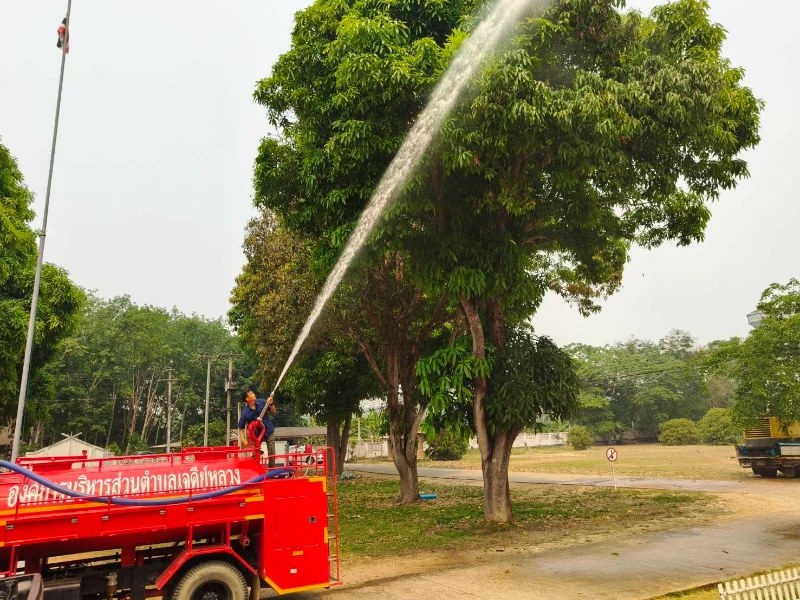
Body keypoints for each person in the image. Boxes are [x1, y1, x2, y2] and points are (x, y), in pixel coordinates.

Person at [238, 389, 277, 467]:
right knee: (254, 453)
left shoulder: (262, 402)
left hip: (268, 430)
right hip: (256, 434)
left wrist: (271, 404)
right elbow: (240, 427)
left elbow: (274, 411)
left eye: (253, 393)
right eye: (251, 394)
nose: (254, 394)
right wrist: (243, 440)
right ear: (247, 399)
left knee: (272, 453)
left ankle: (271, 471)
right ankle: (255, 470)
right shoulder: (245, 413)